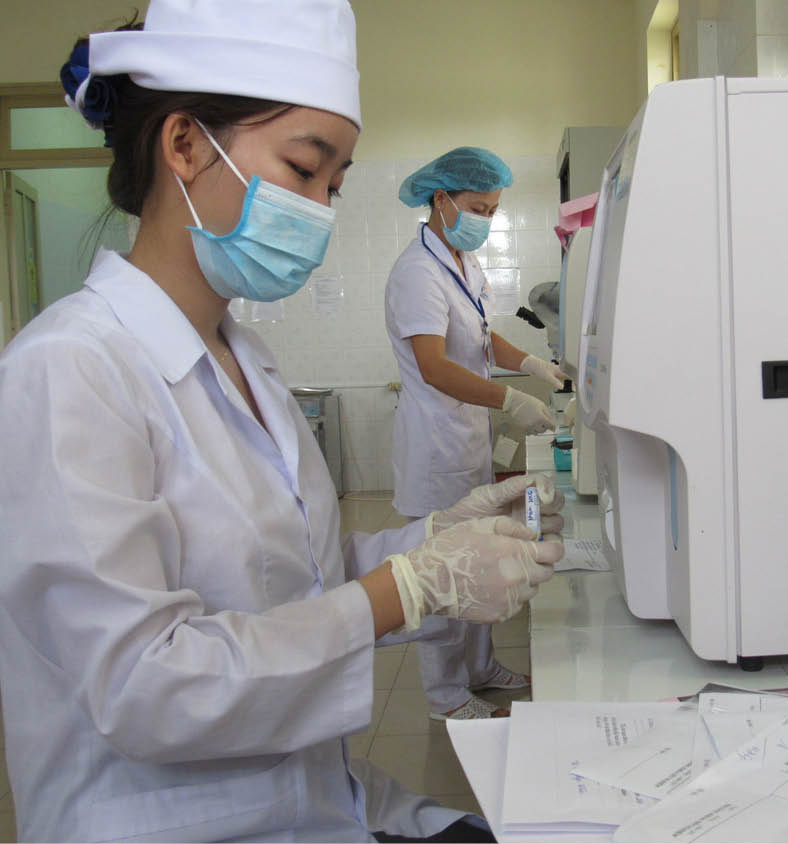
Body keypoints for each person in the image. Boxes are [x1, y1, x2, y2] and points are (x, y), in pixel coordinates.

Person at [0, 2, 564, 841]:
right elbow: (145, 689)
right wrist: (407, 589)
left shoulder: (246, 360)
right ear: (184, 144)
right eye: (304, 169)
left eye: (333, 185)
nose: (320, 210)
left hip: (320, 797)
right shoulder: (68, 370)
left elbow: (293, 582)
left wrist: (433, 541)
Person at [384, 149, 567, 720]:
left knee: (480, 554)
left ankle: (482, 668)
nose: (485, 219)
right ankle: (444, 695)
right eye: (478, 208)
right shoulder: (417, 273)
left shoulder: (463, 263)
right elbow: (435, 367)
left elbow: (485, 340)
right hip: (434, 445)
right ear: (441, 199)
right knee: (443, 570)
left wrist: (534, 366)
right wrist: (511, 400)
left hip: (466, 439)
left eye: (492, 211)